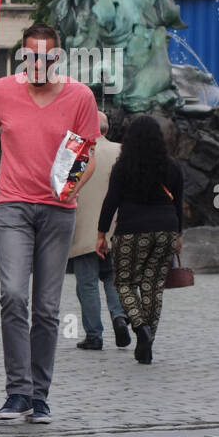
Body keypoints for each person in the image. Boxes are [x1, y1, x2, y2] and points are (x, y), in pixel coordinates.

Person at [0, 23, 99, 424]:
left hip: (57, 209)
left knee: (47, 308)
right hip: (12, 205)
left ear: (58, 58)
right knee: (13, 295)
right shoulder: (1, 91)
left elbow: (88, 154)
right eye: (31, 57)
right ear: (22, 57)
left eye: (47, 59)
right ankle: (17, 392)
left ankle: (39, 394)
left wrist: (73, 185)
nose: (38, 65)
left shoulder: (80, 97)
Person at [96, 115, 184, 364]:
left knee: (123, 282)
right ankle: (148, 343)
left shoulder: (123, 167)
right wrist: (178, 234)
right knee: (153, 286)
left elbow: (111, 201)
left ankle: (140, 327)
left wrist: (101, 234)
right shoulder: (173, 167)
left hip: (131, 230)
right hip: (166, 230)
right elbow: (178, 204)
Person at [69, 112, 129, 350]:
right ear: (107, 128)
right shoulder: (123, 151)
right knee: (114, 278)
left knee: (87, 283)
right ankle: (119, 317)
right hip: (117, 227)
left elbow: (65, 187)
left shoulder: (77, 151)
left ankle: (94, 335)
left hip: (83, 228)